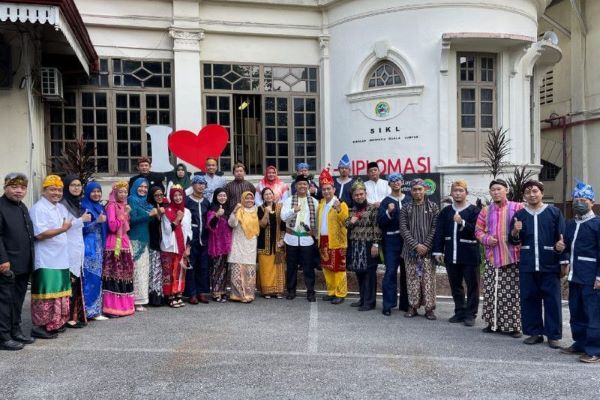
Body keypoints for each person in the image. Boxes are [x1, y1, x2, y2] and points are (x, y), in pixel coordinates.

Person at [508, 180, 564, 347]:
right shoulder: (520, 215)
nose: (531, 195)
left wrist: (562, 255)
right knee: (529, 298)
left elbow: (562, 239)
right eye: (528, 192)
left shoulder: (554, 212)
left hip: (549, 264)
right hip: (528, 265)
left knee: (552, 300)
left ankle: (553, 335)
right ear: (524, 195)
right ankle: (534, 332)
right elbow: (513, 241)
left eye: (534, 191)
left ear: (541, 192)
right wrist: (515, 231)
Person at [557, 181, 600, 363]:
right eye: (576, 199)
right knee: (576, 312)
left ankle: (595, 350)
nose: (578, 202)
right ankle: (580, 344)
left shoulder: (597, 224)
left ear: (592, 202)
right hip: (574, 276)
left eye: (583, 199)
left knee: (593, 315)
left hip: (591, 277)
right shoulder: (571, 223)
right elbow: (564, 246)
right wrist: (560, 249)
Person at [475, 178, 523, 337]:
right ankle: (492, 323)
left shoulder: (518, 207)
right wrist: (487, 239)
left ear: (506, 190)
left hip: (512, 257)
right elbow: (478, 231)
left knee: (511, 293)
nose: (496, 192)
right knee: (491, 291)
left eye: (499, 189)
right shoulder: (485, 211)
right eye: (493, 190)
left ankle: (514, 326)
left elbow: (525, 229)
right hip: (491, 257)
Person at [29, 175, 73, 338]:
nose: (56, 193)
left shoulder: (60, 207)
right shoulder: (39, 208)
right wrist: (63, 229)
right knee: (46, 293)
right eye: (52, 189)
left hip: (61, 257)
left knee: (59, 292)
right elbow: (39, 234)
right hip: (46, 258)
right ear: (44, 190)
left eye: (59, 190)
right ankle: (41, 326)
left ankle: (55, 322)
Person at [432, 180, 481, 326]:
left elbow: (478, 232)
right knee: (455, 285)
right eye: (455, 191)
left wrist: (463, 223)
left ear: (467, 193)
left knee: (473, 286)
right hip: (451, 255)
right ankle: (459, 311)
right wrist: (438, 251)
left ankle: (470, 314)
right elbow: (439, 232)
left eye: (461, 190)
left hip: (469, 254)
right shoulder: (446, 211)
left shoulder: (474, 211)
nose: (458, 193)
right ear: (451, 193)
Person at [0, 173, 36, 350]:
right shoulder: (0, 206)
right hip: (7, 265)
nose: (19, 191)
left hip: (23, 264)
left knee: (17, 301)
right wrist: (2, 259)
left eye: (22, 188)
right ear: (6, 187)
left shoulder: (22, 207)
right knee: (5, 302)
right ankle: (3, 337)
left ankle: (16, 331)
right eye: (14, 187)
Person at [400, 179, 440, 320]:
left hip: (428, 252)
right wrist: (416, 245)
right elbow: (403, 229)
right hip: (410, 251)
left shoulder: (433, 206)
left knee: (428, 280)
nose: (417, 192)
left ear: (425, 190)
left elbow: (436, 228)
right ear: (411, 191)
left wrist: (426, 245)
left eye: (420, 189)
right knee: (412, 279)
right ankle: (413, 307)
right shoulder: (406, 208)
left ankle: (429, 309)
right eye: (415, 189)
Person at [281, 176, 320, 301]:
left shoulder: (314, 201)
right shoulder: (289, 200)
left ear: (308, 186)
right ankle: (291, 290)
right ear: (295, 186)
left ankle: (310, 291)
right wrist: (293, 210)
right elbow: (283, 217)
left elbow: (318, 221)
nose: (302, 186)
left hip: (307, 239)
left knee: (308, 267)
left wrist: (317, 237)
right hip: (291, 238)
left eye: (304, 184)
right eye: (300, 184)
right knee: (291, 266)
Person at [378, 172, 411, 316]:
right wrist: (388, 212)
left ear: (402, 183)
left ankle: (406, 303)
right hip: (391, 241)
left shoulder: (409, 200)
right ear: (389, 184)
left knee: (407, 272)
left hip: (407, 241)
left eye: (398, 180)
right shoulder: (385, 201)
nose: (396, 183)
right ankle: (388, 304)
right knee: (390, 271)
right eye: (393, 181)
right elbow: (380, 222)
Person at [61, 175, 92, 329]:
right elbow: (63, 225)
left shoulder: (77, 204)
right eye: (73, 185)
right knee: (70, 284)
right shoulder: (62, 205)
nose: (76, 188)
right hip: (67, 249)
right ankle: (67, 317)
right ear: (66, 187)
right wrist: (81, 220)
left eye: (79, 185)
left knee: (76, 283)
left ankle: (75, 315)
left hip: (77, 248)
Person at [346, 178, 382, 311]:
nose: (359, 196)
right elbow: (346, 224)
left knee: (369, 274)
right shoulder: (351, 210)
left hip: (368, 245)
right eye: (356, 195)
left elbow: (376, 227)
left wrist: (376, 244)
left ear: (365, 194)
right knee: (359, 273)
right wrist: (352, 221)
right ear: (353, 196)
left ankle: (370, 302)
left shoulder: (373, 208)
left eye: (361, 194)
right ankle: (362, 299)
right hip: (355, 245)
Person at [102, 181, 135, 317]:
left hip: (124, 242)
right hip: (114, 242)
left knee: (125, 275)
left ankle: (125, 306)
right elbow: (113, 226)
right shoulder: (111, 206)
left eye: (125, 192)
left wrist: (125, 212)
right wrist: (124, 214)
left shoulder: (123, 205)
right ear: (115, 193)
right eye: (120, 192)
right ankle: (112, 307)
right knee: (114, 274)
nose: (123, 194)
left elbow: (126, 226)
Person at [317, 168, 349, 304]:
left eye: (328, 189)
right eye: (324, 189)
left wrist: (339, 210)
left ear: (333, 189)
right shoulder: (321, 203)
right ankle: (331, 292)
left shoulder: (340, 204)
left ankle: (340, 293)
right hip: (323, 240)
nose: (326, 192)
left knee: (338, 268)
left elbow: (345, 221)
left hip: (337, 241)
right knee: (327, 268)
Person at [161, 186, 192, 308]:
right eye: (175, 196)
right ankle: (169, 295)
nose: (178, 198)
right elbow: (167, 230)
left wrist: (188, 247)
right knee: (169, 272)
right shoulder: (167, 211)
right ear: (171, 197)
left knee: (180, 271)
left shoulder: (187, 212)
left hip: (182, 247)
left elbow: (189, 231)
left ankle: (178, 292)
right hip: (170, 246)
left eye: (180, 195)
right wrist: (177, 219)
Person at [81, 181, 108, 319]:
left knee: (97, 278)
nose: (96, 194)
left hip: (99, 246)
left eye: (98, 191)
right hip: (88, 247)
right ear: (87, 192)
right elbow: (80, 229)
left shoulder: (100, 207)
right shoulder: (84, 206)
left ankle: (95, 309)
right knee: (90, 277)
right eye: (93, 191)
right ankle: (89, 311)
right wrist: (96, 221)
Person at [128, 178, 156, 311]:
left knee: (143, 270)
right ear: (135, 187)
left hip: (145, 239)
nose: (143, 189)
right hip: (135, 239)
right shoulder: (131, 200)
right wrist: (149, 215)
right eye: (141, 187)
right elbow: (131, 221)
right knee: (136, 270)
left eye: (145, 187)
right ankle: (135, 301)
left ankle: (142, 299)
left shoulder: (146, 203)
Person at [228, 191, 260, 303]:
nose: (249, 201)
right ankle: (237, 295)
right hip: (238, 241)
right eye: (247, 198)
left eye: (251, 199)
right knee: (237, 269)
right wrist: (235, 210)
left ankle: (248, 294)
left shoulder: (256, 210)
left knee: (249, 271)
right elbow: (232, 224)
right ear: (242, 199)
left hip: (251, 242)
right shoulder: (239, 210)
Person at [185, 175, 211, 304]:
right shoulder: (187, 201)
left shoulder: (206, 202)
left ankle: (202, 292)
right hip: (192, 238)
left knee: (203, 266)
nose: (201, 186)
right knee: (191, 266)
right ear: (193, 185)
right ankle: (192, 293)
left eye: (203, 184)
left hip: (204, 238)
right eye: (198, 183)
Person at [257, 187, 286, 299]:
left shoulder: (280, 207)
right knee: (266, 267)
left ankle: (278, 290)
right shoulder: (260, 208)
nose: (268, 196)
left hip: (278, 244)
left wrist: (282, 239)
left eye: (270, 194)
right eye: (266, 194)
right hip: (264, 244)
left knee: (278, 266)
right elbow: (261, 225)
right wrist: (266, 212)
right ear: (263, 197)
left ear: (273, 196)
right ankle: (266, 291)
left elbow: (283, 225)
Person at [207, 188, 233, 302]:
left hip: (226, 243)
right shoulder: (212, 209)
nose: (222, 198)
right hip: (216, 244)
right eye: (220, 196)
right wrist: (217, 215)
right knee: (216, 268)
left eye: (224, 196)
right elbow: (210, 226)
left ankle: (223, 291)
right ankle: (216, 292)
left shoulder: (228, 210)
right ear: (216, 197)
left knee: (225, 269)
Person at [147, 186, 167, 306]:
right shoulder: (150, 208)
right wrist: (157, 215)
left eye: (161, 195)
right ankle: (154, 297)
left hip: (165, 244)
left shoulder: (166, 207)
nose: (159, 197)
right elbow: (150, 226)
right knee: (154, 270)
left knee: (162, 271)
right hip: (154, 243)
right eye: (156, 195)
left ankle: (161, 295)